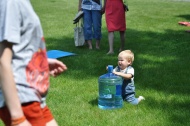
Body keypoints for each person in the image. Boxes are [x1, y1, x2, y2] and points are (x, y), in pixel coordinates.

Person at [0, 0, 67, 126]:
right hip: (21, 98)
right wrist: (17, 118)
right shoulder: (11, 2)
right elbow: (3, 59)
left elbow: (21, 48)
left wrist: (42, 62)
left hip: (34, 97)